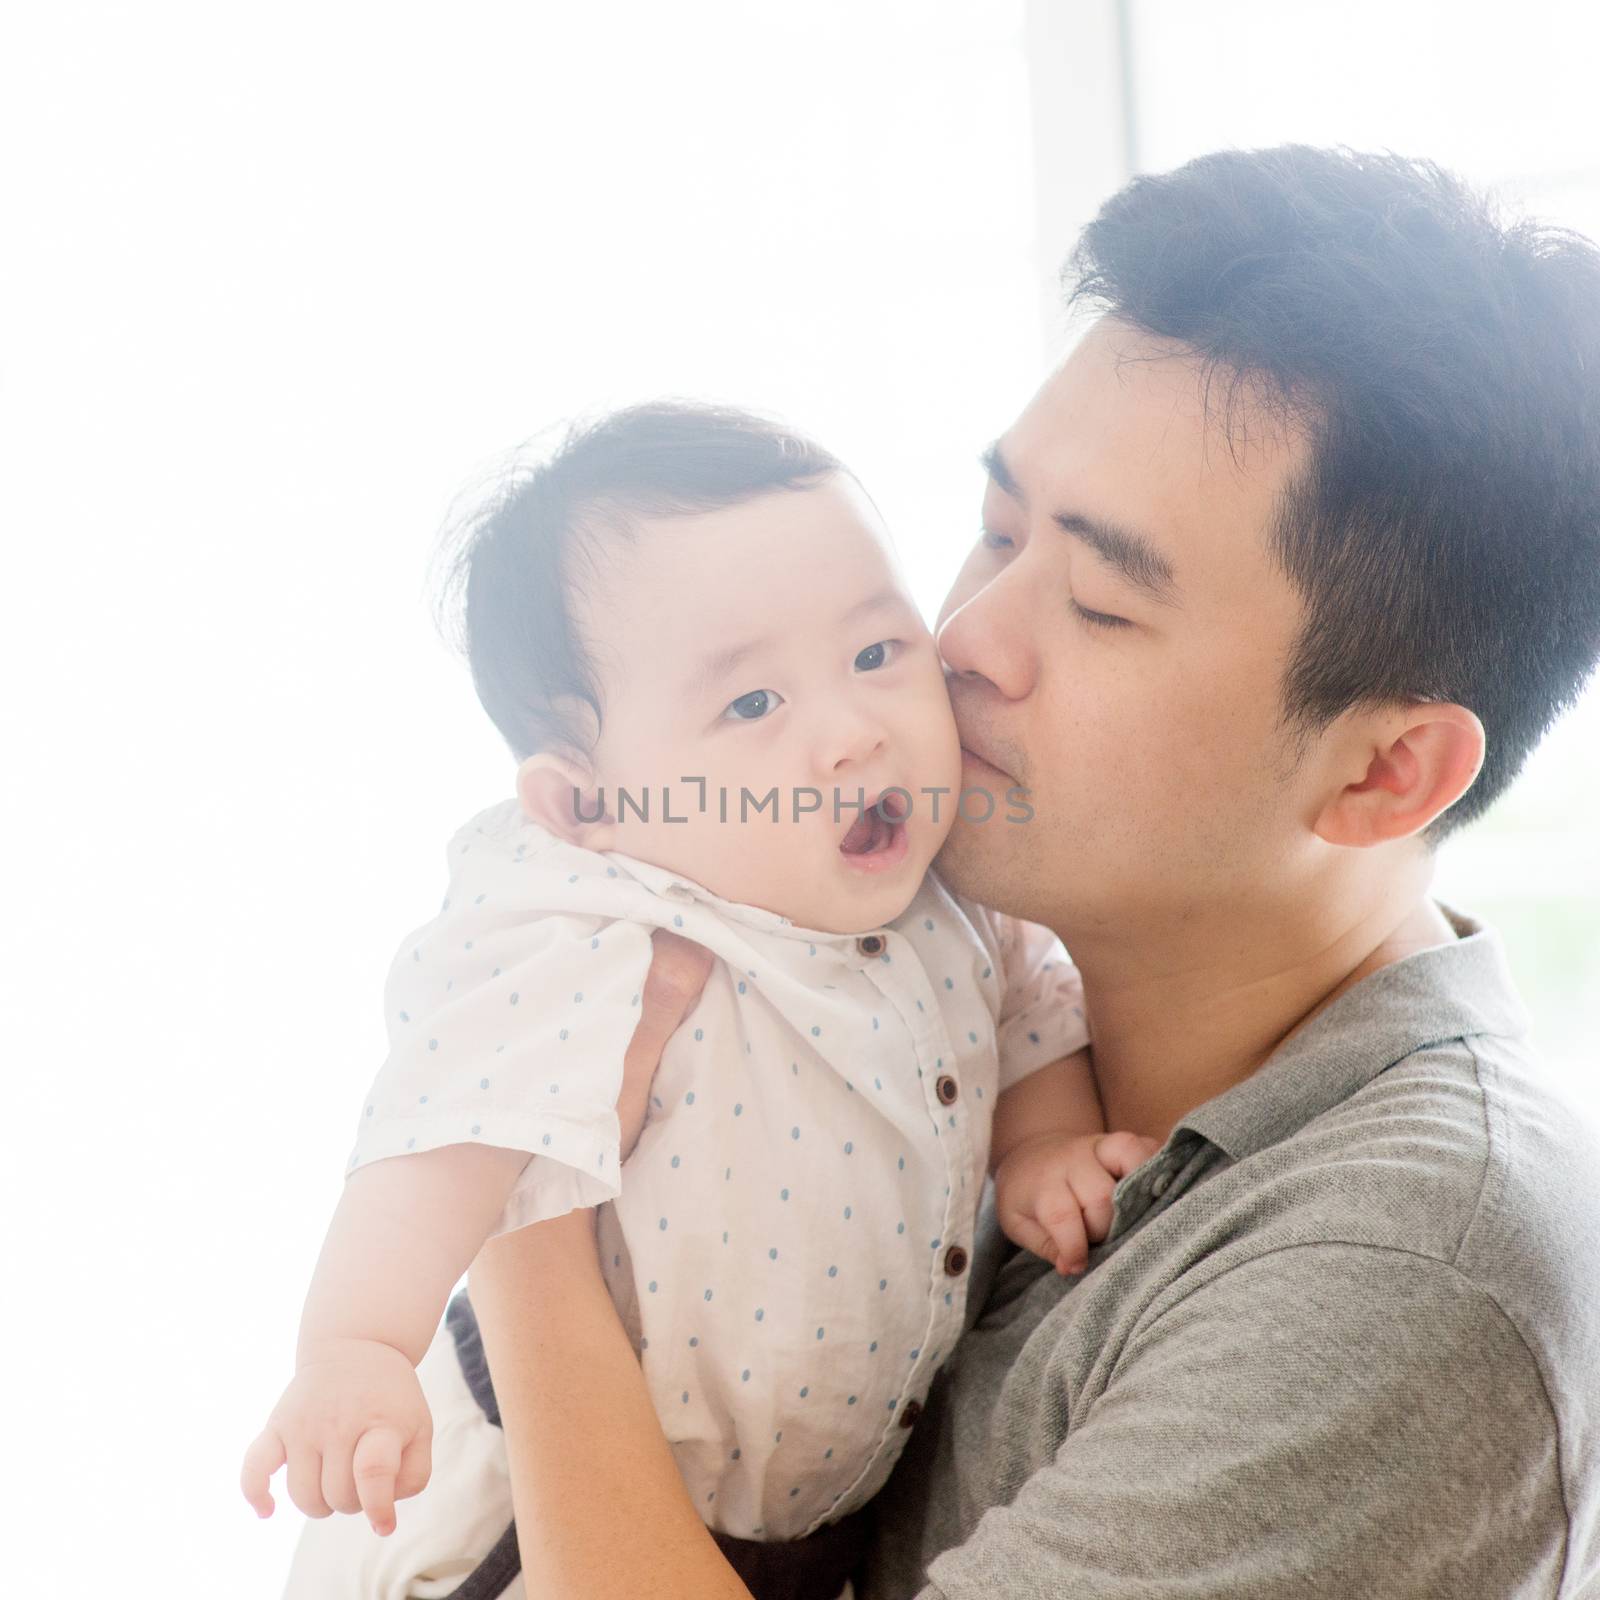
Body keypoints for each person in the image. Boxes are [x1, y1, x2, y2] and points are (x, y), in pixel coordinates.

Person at [463, 146, 1600, 1597]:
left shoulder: (1412, 1266)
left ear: (1386, 773)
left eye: (1104, 605)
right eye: (997, 531)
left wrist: (522, 1221)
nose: (964, 639)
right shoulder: (928, 993)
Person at [248, 401, 1160, 1600]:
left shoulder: (954, 893)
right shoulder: (591, 933)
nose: (849, 734)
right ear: (587, 804)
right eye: (750, 706)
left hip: (802, 1528)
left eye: (877, 654)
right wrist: (356, 1345)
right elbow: (443, 1137)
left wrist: (1041, 1149)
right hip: (524, 1503)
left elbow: (1029, 1014)